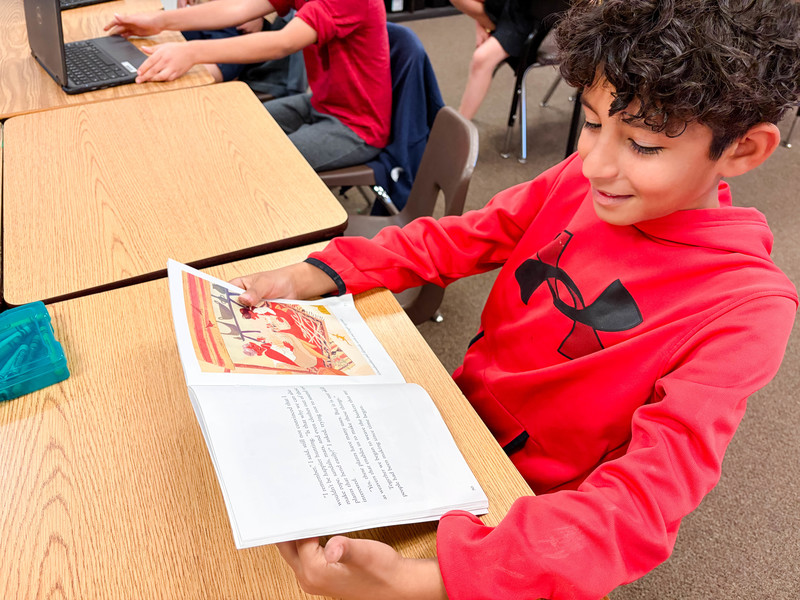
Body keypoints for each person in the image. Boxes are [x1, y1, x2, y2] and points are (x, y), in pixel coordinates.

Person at [231, 0, 800, 598]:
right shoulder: (578, 181)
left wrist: (432, 580)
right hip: (447, 422)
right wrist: (325, 268)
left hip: (521, 512)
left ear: (742, 150)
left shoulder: (746, 308)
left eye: (643, 145)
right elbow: (462, 237)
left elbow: (644, 499)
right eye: (591, 121)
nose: (595, 162)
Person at [105, 0, 390, 171]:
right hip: (319, 103)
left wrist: (192, 52)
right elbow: (238, 8)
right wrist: (159, 22)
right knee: (229, 130)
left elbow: (283, 43)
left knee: (250, 163)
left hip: (354, 129)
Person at [451, 0, 536, 119]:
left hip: (531, 17)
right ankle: (491, 27)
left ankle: (460, 127)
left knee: (481, 58)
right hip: (510, 8)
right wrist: (480, 23)